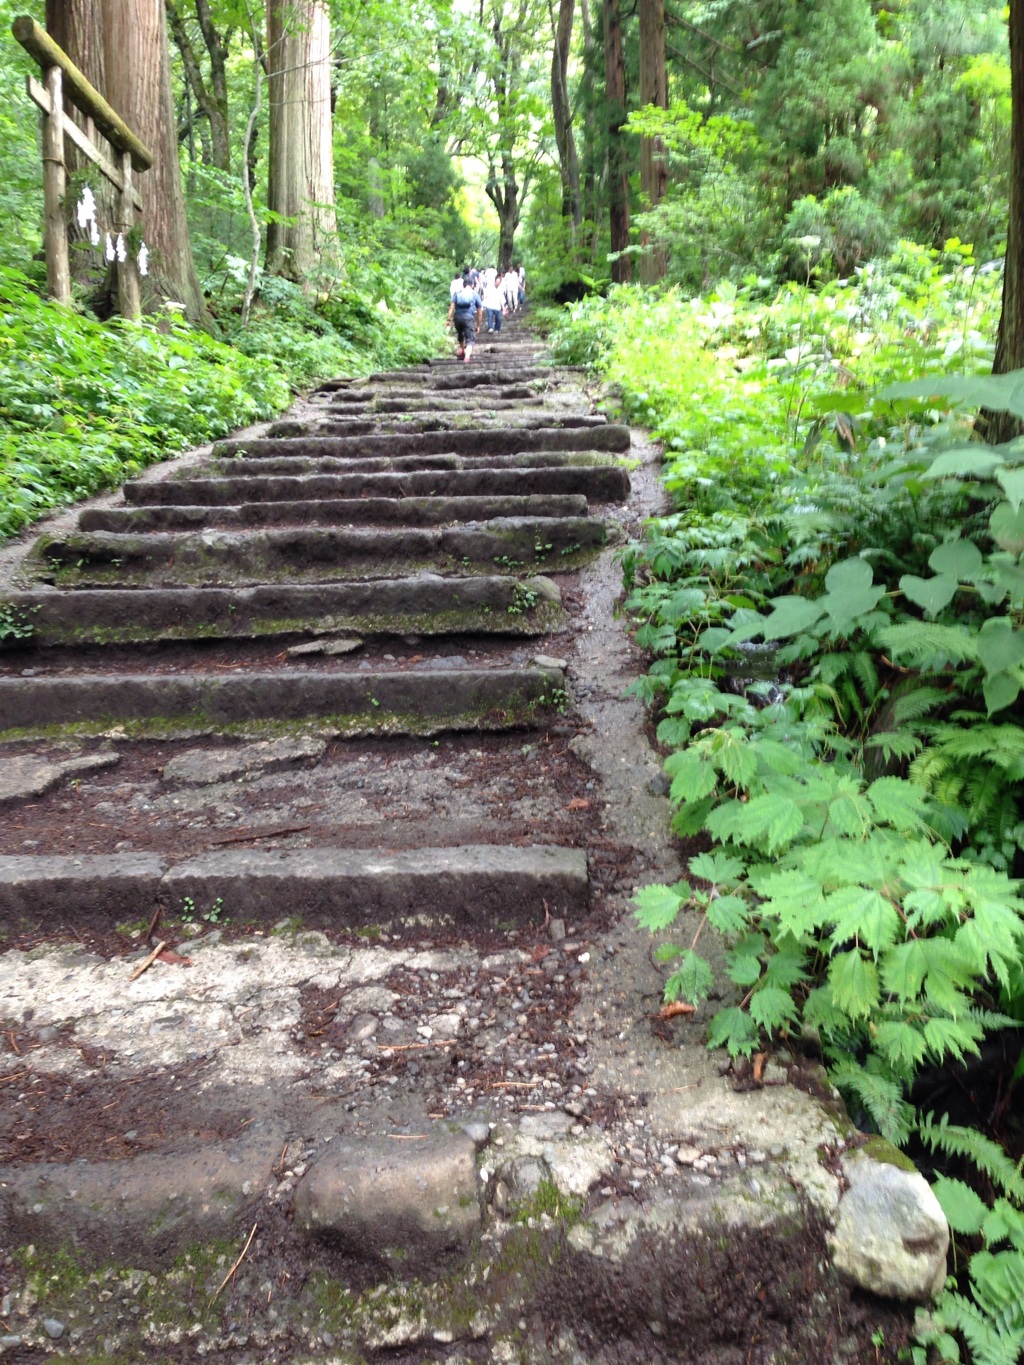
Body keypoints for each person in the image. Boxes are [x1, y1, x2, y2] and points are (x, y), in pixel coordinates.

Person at [446, 272, 482, 362]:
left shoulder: (457, 294)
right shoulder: (475, 294)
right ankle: (467, 357)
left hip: (457, 317)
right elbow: (480, 312)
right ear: (472, 285)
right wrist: (478, 325)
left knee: (460, 334)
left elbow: (451, 307)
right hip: (468, 317)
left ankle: (462, 350)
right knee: (470, 338)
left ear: (463, 285)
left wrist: (448, 319)